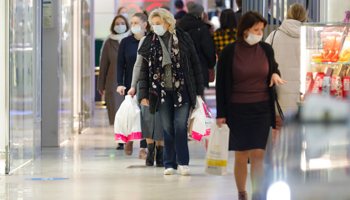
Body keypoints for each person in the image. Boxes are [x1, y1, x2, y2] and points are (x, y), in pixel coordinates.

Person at [215, 11, 286, 200]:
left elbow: (273, 67)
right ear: (245, 30)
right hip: (238, 110)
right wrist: (220, 113)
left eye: (262, 30)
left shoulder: (265, 49)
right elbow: (221, 84)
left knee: (258, 155)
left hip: (262, 109)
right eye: (256, 29)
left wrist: (275, 74)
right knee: (241, 155)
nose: (260, 33)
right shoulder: (229, 51)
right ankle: (241, 192)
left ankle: (258, 194)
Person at [138, 8, 203, 175]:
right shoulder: (149, 41)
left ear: (168, 23)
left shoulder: (183, 38)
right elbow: (144, 70)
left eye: (158, 24)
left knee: (181, 126)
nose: (155, 27)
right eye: (153, 24)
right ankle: (169, 164)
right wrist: (143, 94)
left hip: (182, 89)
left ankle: (183, 162)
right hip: (160, 92)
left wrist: (199, 90)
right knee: (167, 128)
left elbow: (195, 64)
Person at [265, 3, 307, 144]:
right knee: (301, 135)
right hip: (303, 98)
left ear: (288, 16)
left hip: (280, 95)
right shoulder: (309, 37)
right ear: (304, 17)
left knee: (279, 134)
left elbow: (264, 63)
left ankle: (280, 163)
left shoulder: (274, 36)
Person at [115, 11, 151, 158]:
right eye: (132, 23)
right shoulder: (126, 42)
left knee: (144, 115)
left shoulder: (150, 40)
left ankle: (144, 147)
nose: (133, 26)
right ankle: (129, 139)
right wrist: (120, 83)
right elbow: (120, 65)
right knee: (131, 114)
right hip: (130, 84)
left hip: (146, 84)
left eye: (136, 23)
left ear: (145, 25)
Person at [97, 15, 130, 150]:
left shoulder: (131, 40)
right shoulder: (109, 42)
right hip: (113, 82)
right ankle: (121, 140)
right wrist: (101, 85)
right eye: (117, 23)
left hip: (129, 81)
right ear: (113, 26)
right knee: (117, 112)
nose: (120, 25)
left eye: (122, 23)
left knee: (129, 111)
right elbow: (103, 64)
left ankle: (130, 138)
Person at [178, 2, 216, 91]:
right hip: (200, 67)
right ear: (199, 13)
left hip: (182, 68)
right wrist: (211, 64)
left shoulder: (179, 27)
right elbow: (208, 49)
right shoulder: (202, 28)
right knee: (199, 98)